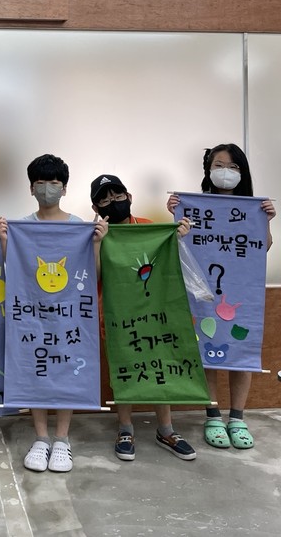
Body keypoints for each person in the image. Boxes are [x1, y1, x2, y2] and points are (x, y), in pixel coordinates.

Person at [0, 154, 107, 474]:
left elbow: (93, 274)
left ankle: (62, 439)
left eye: (54, 183)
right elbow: (14, 269)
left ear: (64, 188)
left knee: (66, 368)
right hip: (33, 316)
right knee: (37, 367)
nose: (47, 189)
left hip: (69, 316)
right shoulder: (22, 226)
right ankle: (41, 438)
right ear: (31, 188)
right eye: (41, 183)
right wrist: (4, 240)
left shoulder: (78, 226)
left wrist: (97, 244)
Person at [167, 144, 275, 451]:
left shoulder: (255, 208)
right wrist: (176, 214)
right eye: (219, 165)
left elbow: (263, 247)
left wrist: (266, 219)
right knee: (209, 349)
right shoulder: (194, 207)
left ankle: (237, 417)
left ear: (243, 172)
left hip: (242, 293)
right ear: (209, 170)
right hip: (205, 293)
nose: (226, 172)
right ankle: (212, 415)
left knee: (242, 353)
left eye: (233, 166)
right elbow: (179, 244)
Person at [91, 173, 196, 462]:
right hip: (117, 315)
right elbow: (94, 276)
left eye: (118, 196)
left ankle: (166, 429)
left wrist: (177, 236)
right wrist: (98, 243)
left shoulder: (149, 227)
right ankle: (125, 428)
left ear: (129, 197)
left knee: (160, 363)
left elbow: (170, 262)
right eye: (105, 200)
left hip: (154, 312)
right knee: (124, 368)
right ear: (95, 208)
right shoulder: (98, 234)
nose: (113, 202)